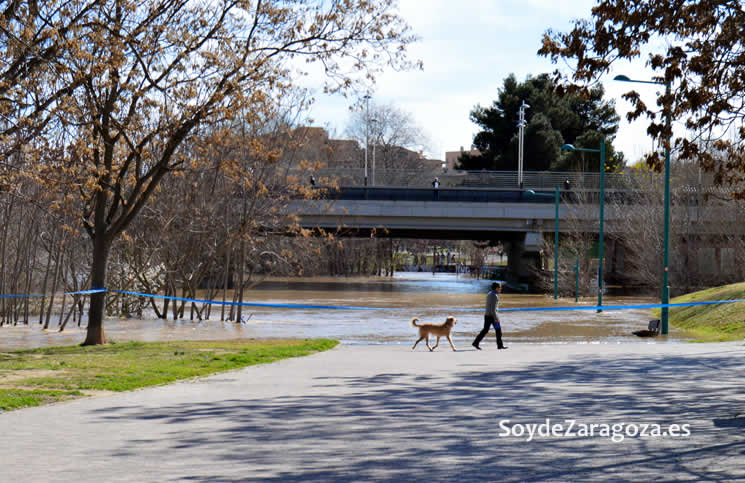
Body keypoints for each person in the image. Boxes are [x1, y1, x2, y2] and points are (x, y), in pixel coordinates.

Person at [472, 282, 507, 350]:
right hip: (492, 316)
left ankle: (476, 342)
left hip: (487, 315)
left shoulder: (490, 293)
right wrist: (496, 318)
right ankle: (500, 345)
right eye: (500, 287)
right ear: (496, 288)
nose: (501, 289)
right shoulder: (494, 295)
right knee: (498, 331)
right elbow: (493, 309)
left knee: (485, 330)